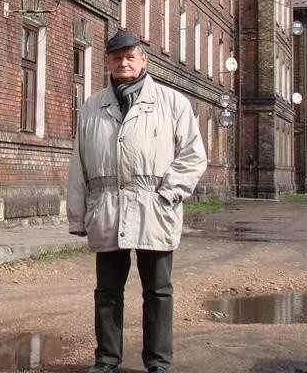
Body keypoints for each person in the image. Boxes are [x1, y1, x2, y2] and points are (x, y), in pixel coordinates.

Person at [67, 30, 208, 373]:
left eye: (131, 56)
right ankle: (106, 360)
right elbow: (79, 165)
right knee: (107, 293)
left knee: (158, 292)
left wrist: (168, 194)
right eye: (117, 58)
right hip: (108, 210)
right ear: (107, 62)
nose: (124, 62)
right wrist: (77, 216)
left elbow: (193, 156)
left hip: (154, 210)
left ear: (144, 59)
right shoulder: (92, 106)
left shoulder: (172, 103)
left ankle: (158, 362)